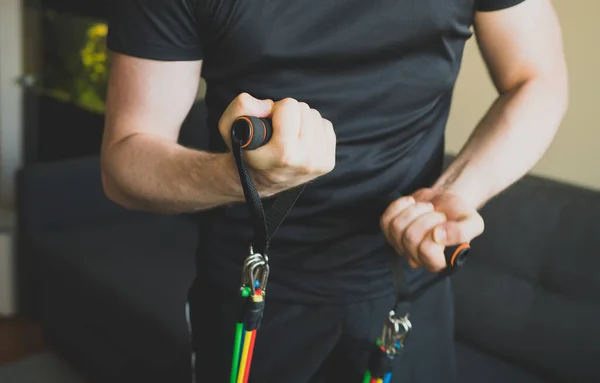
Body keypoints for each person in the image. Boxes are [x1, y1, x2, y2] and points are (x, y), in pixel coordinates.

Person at [101, 0, 568, 381]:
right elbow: (125, 160)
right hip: (252, 290)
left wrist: (455, 194)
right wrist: (243, 180)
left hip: (404, 286)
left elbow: (537, 78)